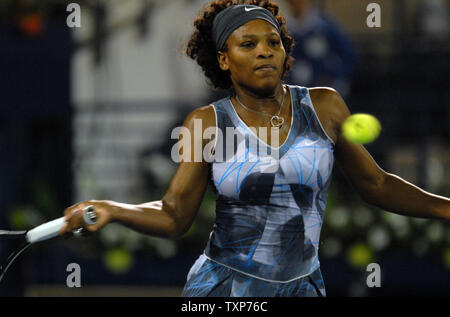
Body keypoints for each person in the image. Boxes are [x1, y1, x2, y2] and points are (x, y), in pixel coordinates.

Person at [60, 0, 450, 297]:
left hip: (303, 287)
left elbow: (377, 184)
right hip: (224, 290)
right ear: (224, 60)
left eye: (273, 42)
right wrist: (111, 209)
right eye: (249, 44)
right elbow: (174, 214)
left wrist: (445, 207)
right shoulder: (205, 123)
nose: (265, 51)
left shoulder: (325, 106)